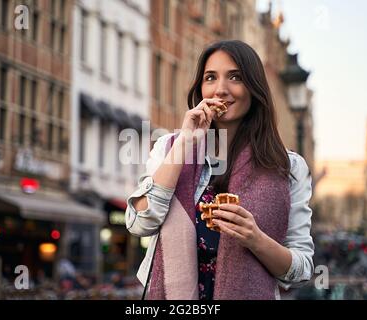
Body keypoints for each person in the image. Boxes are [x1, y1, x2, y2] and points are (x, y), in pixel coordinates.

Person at [125, 40, 314, 300]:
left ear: (253, 87)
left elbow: (302, 270)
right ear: (201, 87)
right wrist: (184, 143)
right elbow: (139, 223)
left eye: (235, 77)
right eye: (210, 77)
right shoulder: (168, 147)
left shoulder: (288, 166)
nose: (220, 90)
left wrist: (255, 238)